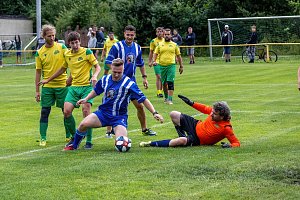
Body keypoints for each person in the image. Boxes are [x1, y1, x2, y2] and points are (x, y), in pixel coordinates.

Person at [63, 58, 164, 151]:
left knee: (122, 142)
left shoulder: (129, 83)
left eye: (119, 72)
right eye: (114, 72)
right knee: (83, 124)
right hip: (103, 114)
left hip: (119, 117)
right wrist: (86, 99)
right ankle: (74, 145)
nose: (116, 75)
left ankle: (120, 136)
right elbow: (96, 91)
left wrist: (154, 112)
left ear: (123, 70)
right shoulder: (105, 79)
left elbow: (144, 99)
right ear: (111, 68)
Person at [39, 31, 101, 149]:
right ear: (69, 44)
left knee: (86, 111)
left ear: (80, 42)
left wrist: (94, 76)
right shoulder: (67, 55)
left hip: (86, 87)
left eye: (77, 42)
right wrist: (48, 79)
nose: (75, 45)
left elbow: (97, 66)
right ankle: (75, 136)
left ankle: (89, 141)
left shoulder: (87, 52)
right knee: (66, 112)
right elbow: (62, 69)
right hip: (73, 88)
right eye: (73, 43)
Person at [105, 25, 157, 137]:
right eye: (128, 35)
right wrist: (116, 73)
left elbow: (141, 63)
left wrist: (144, 77)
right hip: (118, 82)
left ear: (135, 35)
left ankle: (144, 129)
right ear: (124, 34)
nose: (129, 37)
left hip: (131, 82)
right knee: (112, 105)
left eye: (132, 35)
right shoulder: (117, 47)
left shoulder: (137, 47)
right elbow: (108, 62)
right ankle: (109, 130)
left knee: (140, 106)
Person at [140, 94, 240, 148]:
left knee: (181, 141)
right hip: (196, 125)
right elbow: (204, 108)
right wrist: (191, 103)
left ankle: (150, 143)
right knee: (173, 114)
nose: (212, 114)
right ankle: (182, 136)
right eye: (212, 112)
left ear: (222, 116)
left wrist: (229, 146)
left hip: (198, 140)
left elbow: (236, 143)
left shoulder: (226, 128)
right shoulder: (213, 112)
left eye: (214, 114)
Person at [35, 24, 72, 146]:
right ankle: (43, 137)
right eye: (49, 36)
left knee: (65, 111)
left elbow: (70, 61)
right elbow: (38, 72)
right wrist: (37, 91)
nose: (52, 38)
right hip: (47, 87)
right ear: (43, 36)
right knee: (45, 111)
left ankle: (68, 135)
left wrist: (71, 77)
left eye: (53, 35)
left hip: (62, 85)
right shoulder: (39, 53)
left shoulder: (61, 47)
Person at [152, 28, 184, 105]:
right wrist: (153, 61)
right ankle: (166, 97)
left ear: (171, 35)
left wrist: (181, 66)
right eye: (165, 34)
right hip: (162, 66)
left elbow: (179, 56)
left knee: (170, 82)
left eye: (168, 34)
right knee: (164, 84)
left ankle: (170, 99)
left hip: (171, 66)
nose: (167, 36)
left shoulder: (174, 45)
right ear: (164, 35)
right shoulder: (160, 45)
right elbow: (155, 53)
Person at [148, 27, 164, 98]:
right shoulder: (153, 41)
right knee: (159, 76)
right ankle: (159, 92)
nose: (159, 33)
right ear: (156, 33)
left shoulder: (165, 40)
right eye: (158, 31)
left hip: (164, 61)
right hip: (156, 61)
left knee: (162, 77)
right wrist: (150, 61)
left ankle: (160, 92)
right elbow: (151, 52)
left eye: (161, 31)